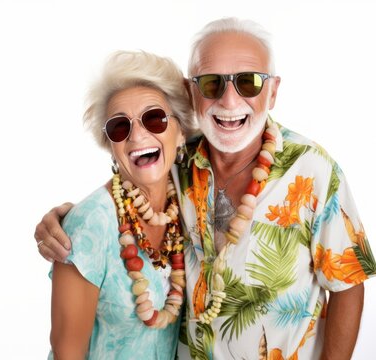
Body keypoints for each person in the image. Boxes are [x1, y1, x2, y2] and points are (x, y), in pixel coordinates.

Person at [37, 18, 376, 359]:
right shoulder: (179, 161)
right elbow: (128, 183)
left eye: (249, 82)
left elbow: (348, 286)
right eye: (212, 83)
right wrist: (68, 219)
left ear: (272, 91)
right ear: (191, 92)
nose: (230, 100)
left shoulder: (312, 170)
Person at [47, 50, 196, 359]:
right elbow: (67, 352)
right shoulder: (91, 224)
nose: (137, 135)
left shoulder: (190, 201)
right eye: (120, 127)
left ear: (181, 131)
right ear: (112, 148)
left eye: (154, 119)